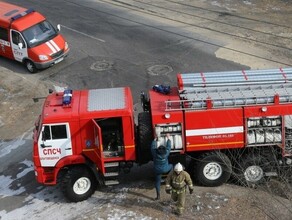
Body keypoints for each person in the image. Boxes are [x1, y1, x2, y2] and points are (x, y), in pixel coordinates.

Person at [151, 133, 172, 200]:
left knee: (157, 182)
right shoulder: (166, 153)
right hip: (165, 169)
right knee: (172, 165)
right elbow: (169, 146)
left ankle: (158, 196)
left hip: (157, 170)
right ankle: (170, 176)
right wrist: (168, 138)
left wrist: (155, 139)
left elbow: (152, 147)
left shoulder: (155, 153)